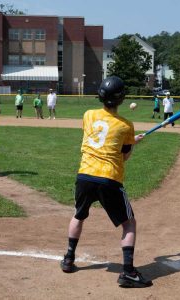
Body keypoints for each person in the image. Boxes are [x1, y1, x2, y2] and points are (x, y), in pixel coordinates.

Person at [60, 76, 152, 288]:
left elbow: (100, 138)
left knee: (79, 215)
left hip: (84, 175)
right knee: (129, 223)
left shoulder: (88, 115)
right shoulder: (126, 125)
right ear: (121, 99)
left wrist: (128, 140)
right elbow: (123, 156)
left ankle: (68, 258)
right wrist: (131, 142)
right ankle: (128, 272)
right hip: (108, 178)